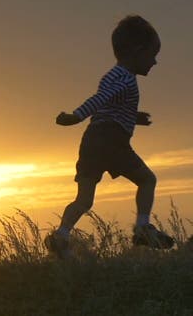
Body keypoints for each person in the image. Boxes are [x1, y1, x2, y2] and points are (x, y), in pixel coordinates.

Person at [45, 15, 173, 258]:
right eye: (152, 55)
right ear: (138, 51)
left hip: (92, 142)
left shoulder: (115, 76)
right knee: (147, 180)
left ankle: (60, 236)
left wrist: (133, 117)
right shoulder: (124, 78)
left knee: (83, 201)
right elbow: (100, 100)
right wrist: (76, 116)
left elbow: (108, 106)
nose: (155, 62)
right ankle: (143, 228)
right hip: (112, 141)